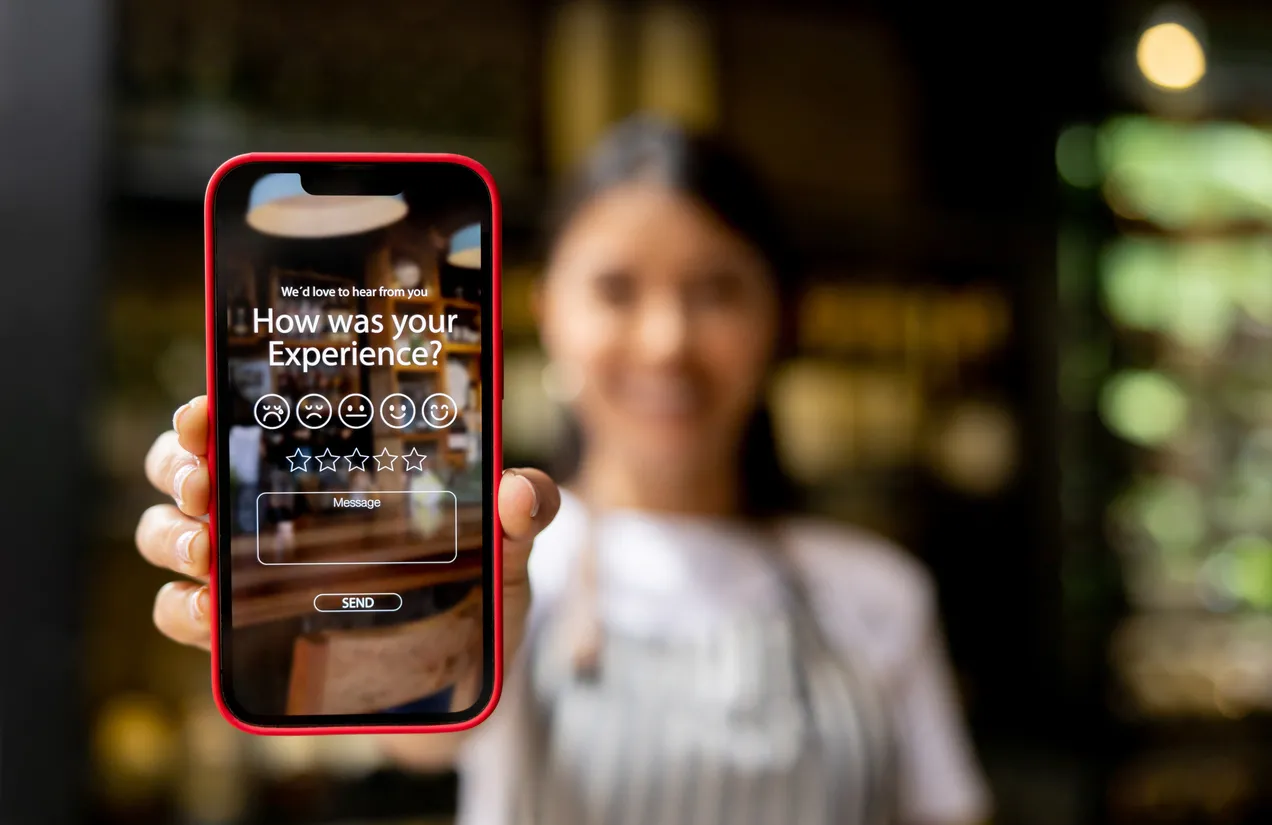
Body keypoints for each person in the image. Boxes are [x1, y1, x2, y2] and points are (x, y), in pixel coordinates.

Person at [137, 114, 991, 825]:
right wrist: (333, 615)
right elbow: (418, 724)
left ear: (781, 317)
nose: (666, 340)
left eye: (718, 290)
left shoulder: (879, 594)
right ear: (550, 313)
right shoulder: (500, 557)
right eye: (617, 289)